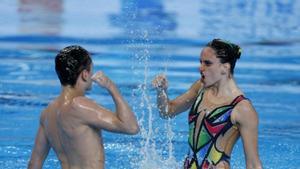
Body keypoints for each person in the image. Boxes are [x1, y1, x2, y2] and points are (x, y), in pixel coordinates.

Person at [152, 39, 262, 169]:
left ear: (225, 68)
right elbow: (167, 112)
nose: (201, 68)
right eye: (201, 62)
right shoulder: (200, 88)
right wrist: (161, 91)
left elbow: (254, 164)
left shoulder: (242, 108)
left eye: (207, 63)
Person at [28, 45, 139, 169]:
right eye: (91, 71)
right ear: (85, 74)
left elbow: (34, 164)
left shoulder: (47, 114)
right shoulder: (80, 106)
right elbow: (131, 127)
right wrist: (111, 87)